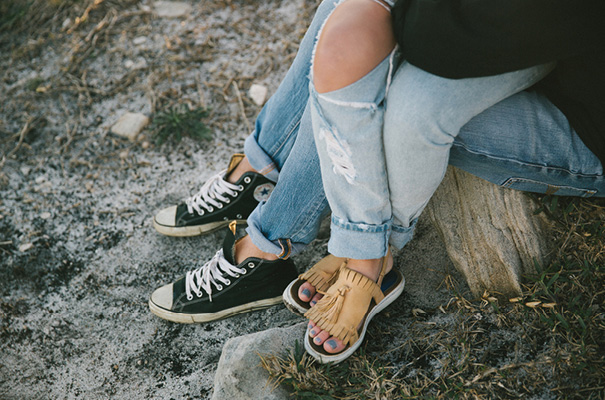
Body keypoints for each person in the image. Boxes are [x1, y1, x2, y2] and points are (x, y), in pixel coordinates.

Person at [149, 0, 605, 363]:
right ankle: (260, 174)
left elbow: (429, 39)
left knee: (387, 77)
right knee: (348, 19)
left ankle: (359, 253)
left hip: (586, 123)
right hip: (546, 48)